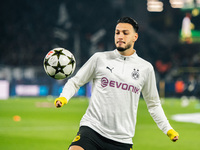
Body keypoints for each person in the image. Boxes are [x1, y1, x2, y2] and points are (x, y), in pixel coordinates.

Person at [54, 17, 179, 150]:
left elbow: (153, 104)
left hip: (122, 139)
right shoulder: (99, 58)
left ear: (135, 37)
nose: (120, 36)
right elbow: (75, 82)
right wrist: (64, 97)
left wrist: (168, 129)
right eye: (117, 32)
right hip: (92, 130)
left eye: (125, 33)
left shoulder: (145, 68)